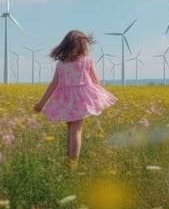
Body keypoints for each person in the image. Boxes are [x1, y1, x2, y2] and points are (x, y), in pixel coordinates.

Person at [33, 30, 117, 170]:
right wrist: (98, 96)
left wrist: (41, 104)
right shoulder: (87, 61)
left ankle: (70, 160)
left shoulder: (61, 64)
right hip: (81, 99)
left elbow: (53, 84)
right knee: (76, 131)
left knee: (71, 130)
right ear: (81, 45)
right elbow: (95, 81)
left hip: (66, 100)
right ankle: (73, 165)